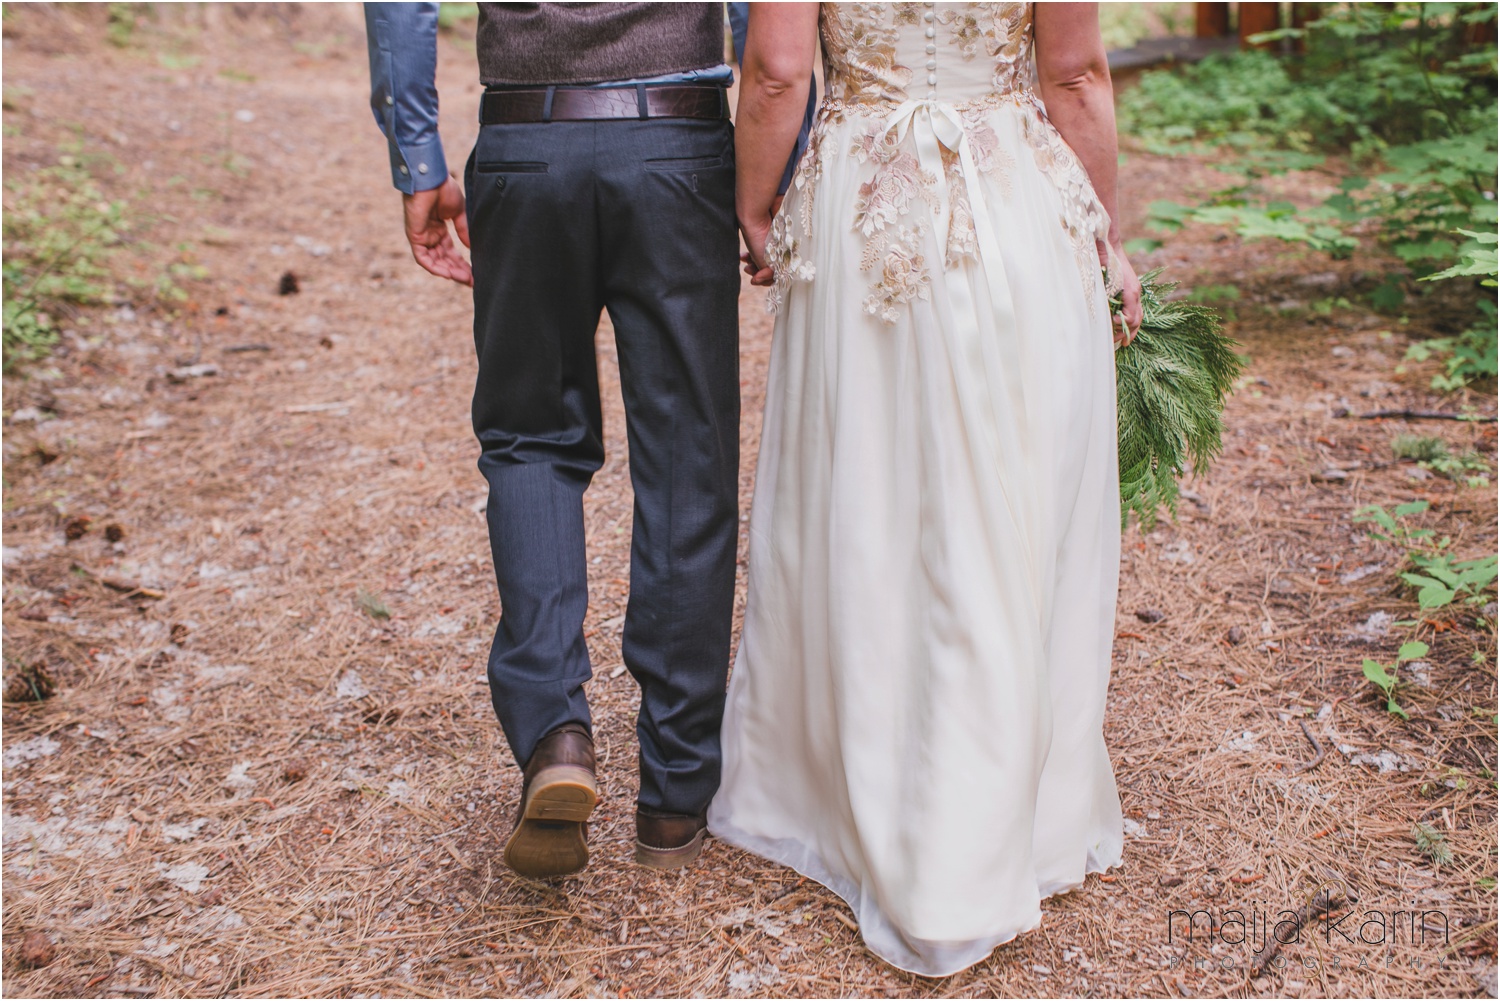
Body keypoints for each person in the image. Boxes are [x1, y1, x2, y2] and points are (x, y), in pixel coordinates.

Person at [709, 1, 1144, 977]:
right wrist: (1104, 237)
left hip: (865, 199)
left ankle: (877, 804)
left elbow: (778, 68)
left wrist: (755, 204)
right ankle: (994, 828)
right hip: (1015, 195)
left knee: (867, 492)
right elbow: (1073, 74)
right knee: (1008, 496)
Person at [361, 2, 802, 879]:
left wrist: (419, 157)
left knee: (531, 442)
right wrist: (774, 173)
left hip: (527, 143)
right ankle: (675, 794)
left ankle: (556, 732)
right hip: (679, 149)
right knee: (689, 458)